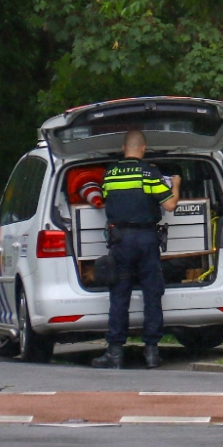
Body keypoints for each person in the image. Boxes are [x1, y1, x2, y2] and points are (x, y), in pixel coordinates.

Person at [92, 130, 180, 370]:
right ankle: (152, 353)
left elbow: (106, 198)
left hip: (120, 240)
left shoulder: (109, 174)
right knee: (152, 293)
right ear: (143, 148)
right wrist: (176, 185)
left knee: (119, 295)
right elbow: (170, 205)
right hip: (146, 239)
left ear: (123, 148)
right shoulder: (149, 173)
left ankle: (115, 353)